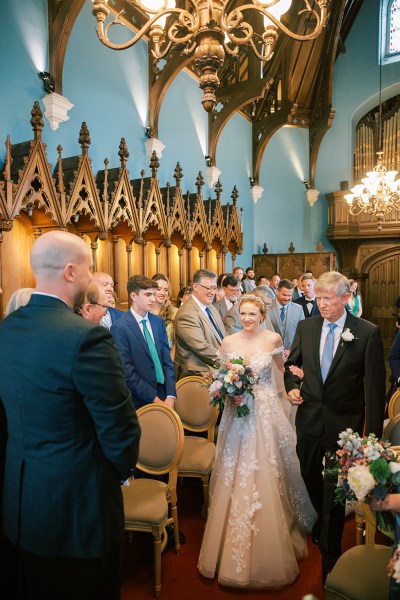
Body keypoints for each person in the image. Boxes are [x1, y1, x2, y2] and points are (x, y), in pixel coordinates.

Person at [0, 230, 141, 600]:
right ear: (69, 272)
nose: (91, 278)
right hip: (78, 509)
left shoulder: (8, 328)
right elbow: (121, 429)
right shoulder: (87, 338)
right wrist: (115, 474)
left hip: (22, 503)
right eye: (89, 269)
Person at [198, 292, 316, 589]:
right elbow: (222, 376)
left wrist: (298, 382)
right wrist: (228, 391)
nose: (247, 319)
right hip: (236, 413)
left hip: (263, 412)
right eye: (244, 313)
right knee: (233, 469)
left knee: (268, 466)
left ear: (263, 315)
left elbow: (281, 373)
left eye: (253, 314)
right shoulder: (228, 342)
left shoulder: (273, 340)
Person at [284, 271, 386, 583]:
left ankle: (330, 555)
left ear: (345, 298)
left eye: (329, 299)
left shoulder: (366, 333)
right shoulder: (307, 326)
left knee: (334, 492)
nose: (322, 304)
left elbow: (374, 388)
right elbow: (292, 365)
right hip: (310, 420)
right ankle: (321, 520)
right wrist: (292, 386)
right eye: (319, 297)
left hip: (345, 427)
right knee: (307, 474)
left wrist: (372, 439)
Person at [111, 275, 176, 410]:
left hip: (164, 392)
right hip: (139, 398)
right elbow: (127, 371)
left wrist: (170, 395)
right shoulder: (120, 328)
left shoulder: (157, 322)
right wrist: (155, 399)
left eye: (153, 294)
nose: (153, 298)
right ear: (134, 296)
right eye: (147, 295)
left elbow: (167, 362)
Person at [174, 269, 226, 380]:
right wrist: (228, 363)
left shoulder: (211, 307)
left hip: (216, 364)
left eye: (215, 288)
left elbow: (223, 337)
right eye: (209, 288)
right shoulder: (187, 314)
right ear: (196, 287)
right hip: (196, 374)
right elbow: (202, 348)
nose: (213, 292)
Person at [268, 279, 304, 361]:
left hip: (292, 357)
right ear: (277, 292)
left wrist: (292, 350)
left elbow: (302, 333)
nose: (287, 298)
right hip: (271, 356)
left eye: (289, 295)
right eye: (284, 295)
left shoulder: (298, 309)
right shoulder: (266, 309)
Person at [150, 273, 178, 357]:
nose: (162, 293)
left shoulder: (175, 312)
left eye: (166, 290)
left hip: (169, 359)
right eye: (158, 289)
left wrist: (169, 361)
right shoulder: (144, 312)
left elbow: (177, 342)